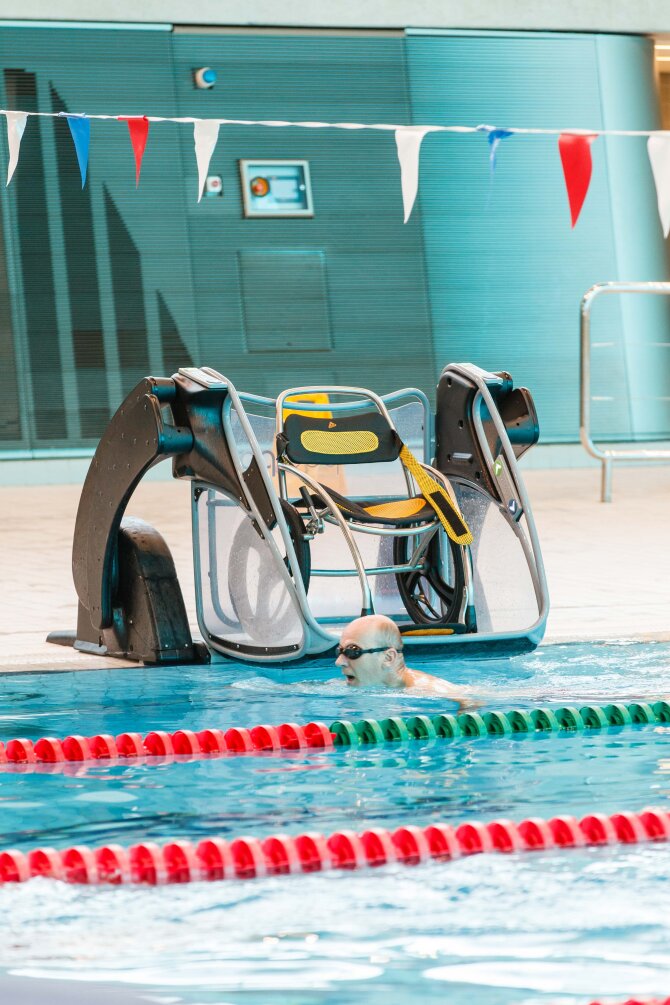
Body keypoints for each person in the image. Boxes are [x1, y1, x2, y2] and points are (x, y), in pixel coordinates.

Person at [335, 613, 478, 709]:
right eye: (340, 651)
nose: (339, 661)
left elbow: (472, 702)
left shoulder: (424, 687)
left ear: (388, 658)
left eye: (352, 651)